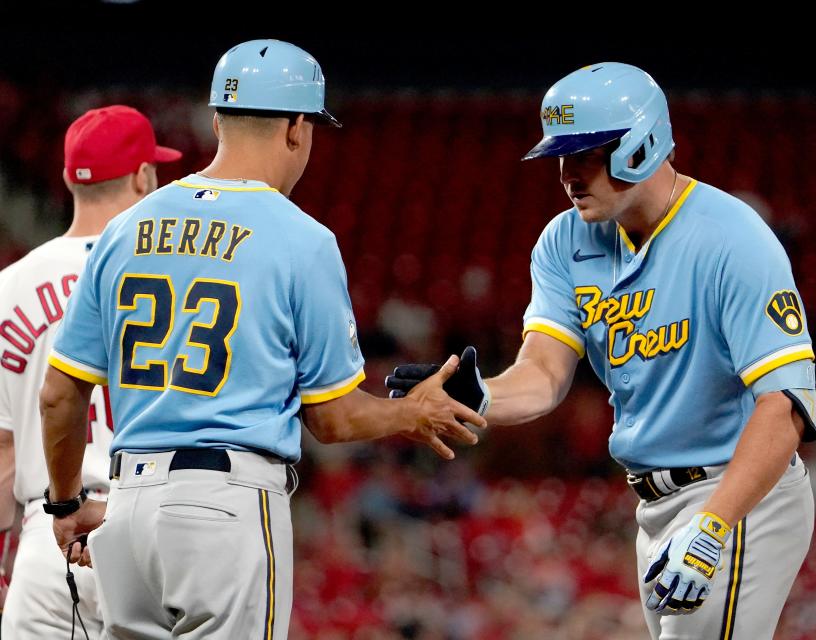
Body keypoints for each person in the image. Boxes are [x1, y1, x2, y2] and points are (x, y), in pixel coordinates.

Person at [39, 39, 484, 640]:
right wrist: (412, 411)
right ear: (298, 128)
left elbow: (59, 395)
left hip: (126, 508)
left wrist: (66, 507)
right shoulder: (302, 239)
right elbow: (333, 418)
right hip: (226, 506)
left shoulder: (126, 228)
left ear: (218, 118)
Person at [386, 62, 816, 639]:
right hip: (654, 503)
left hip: (738, 494)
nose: (566, 174)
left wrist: (712, 525)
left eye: (584, 154)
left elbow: (787, 405)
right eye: (560, 158)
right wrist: (482, 394)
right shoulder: (565, 241)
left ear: (638, 146)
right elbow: (542, 373)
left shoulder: (732, 238)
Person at [0, 104, 181, 638]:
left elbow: (5, 451)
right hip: (154, 527)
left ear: (66, 178)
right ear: (144, 175)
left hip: (49, 533)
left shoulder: (10, 286)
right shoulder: (179, 282)